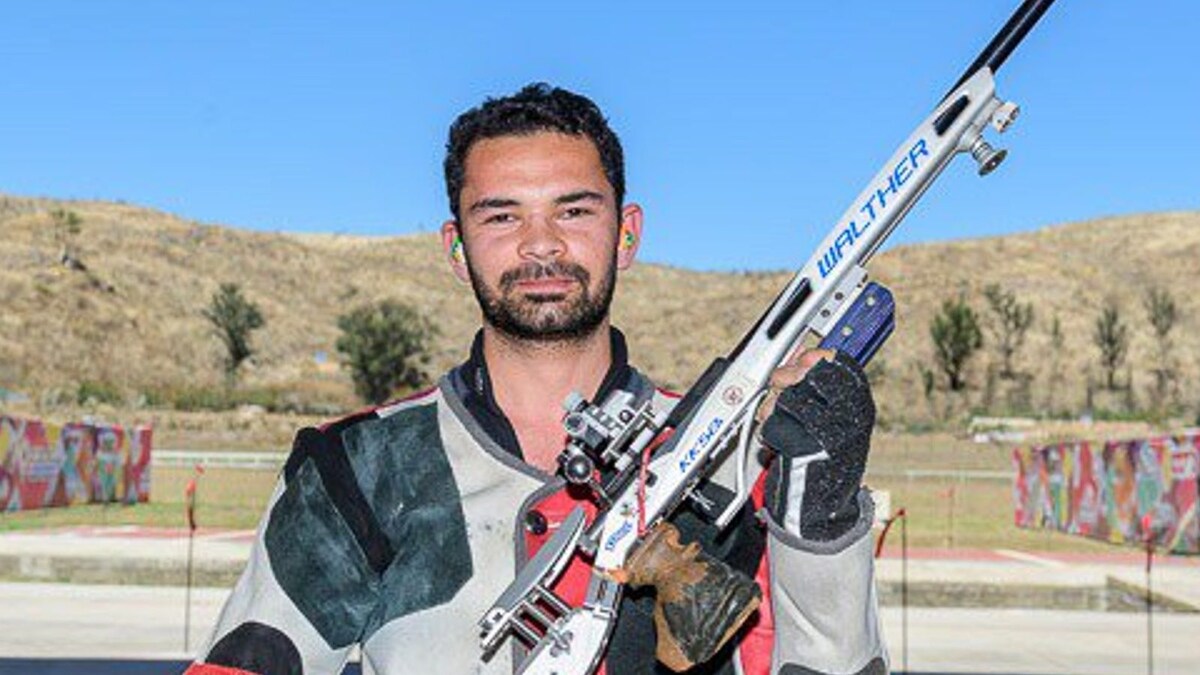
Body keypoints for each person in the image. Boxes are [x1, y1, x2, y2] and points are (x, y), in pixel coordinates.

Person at [186, 83, 887, 675]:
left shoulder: (739, 464)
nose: (541, 243)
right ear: (457, 249)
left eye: (574, 209)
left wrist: (821, 525)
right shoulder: (356, 471)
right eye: (501, 215)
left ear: (627, 234)